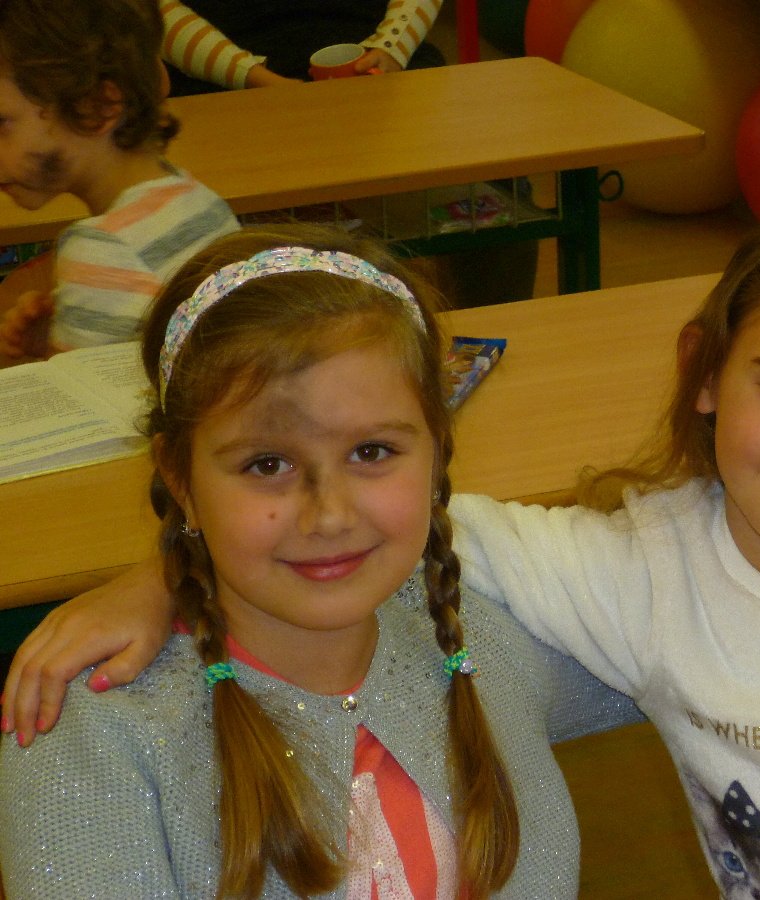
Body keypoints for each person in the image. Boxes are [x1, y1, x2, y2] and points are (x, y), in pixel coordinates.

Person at [3, 198, 760, 898]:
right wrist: (166, 575)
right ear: (707, 374)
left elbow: (396, 532)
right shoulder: (636, 576)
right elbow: (381, 533)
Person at [0, 225, 636, 898]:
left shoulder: (482, 632)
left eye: (371, 452)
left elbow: (689, 612)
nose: (329, 515)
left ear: (438, 450)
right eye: (266, 464)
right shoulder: (95, 737)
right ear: (179, 478)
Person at [0, 0, 239, 361]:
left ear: (98, 107)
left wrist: (36, 364)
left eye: (2, 123)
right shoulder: (200, 200)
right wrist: (51, 340)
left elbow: (77, 393)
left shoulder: (101, 247)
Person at [160, 0, 445, 96]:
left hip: (369, 49)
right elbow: (152, 12)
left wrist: (391, 49)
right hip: (222, 74)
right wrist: (256, 79)